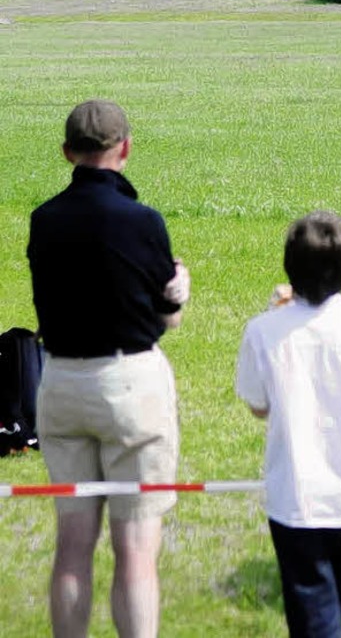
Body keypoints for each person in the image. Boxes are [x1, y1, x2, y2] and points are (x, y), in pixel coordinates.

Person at [28, 99, 190, 638]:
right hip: (129, 384)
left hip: (62, 383)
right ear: (125, 148)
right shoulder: (143, 221)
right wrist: (178, 291)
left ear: (67, 153)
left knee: (72, 545)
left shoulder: (44, 219)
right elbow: (168, 318)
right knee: (136, 550)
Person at [236, 210, 341, 637]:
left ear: (289, 268)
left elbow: (257, 405)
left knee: (316, 609)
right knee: (329, 606)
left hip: (296, 493)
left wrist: (278, 317)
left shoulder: (262, 331)